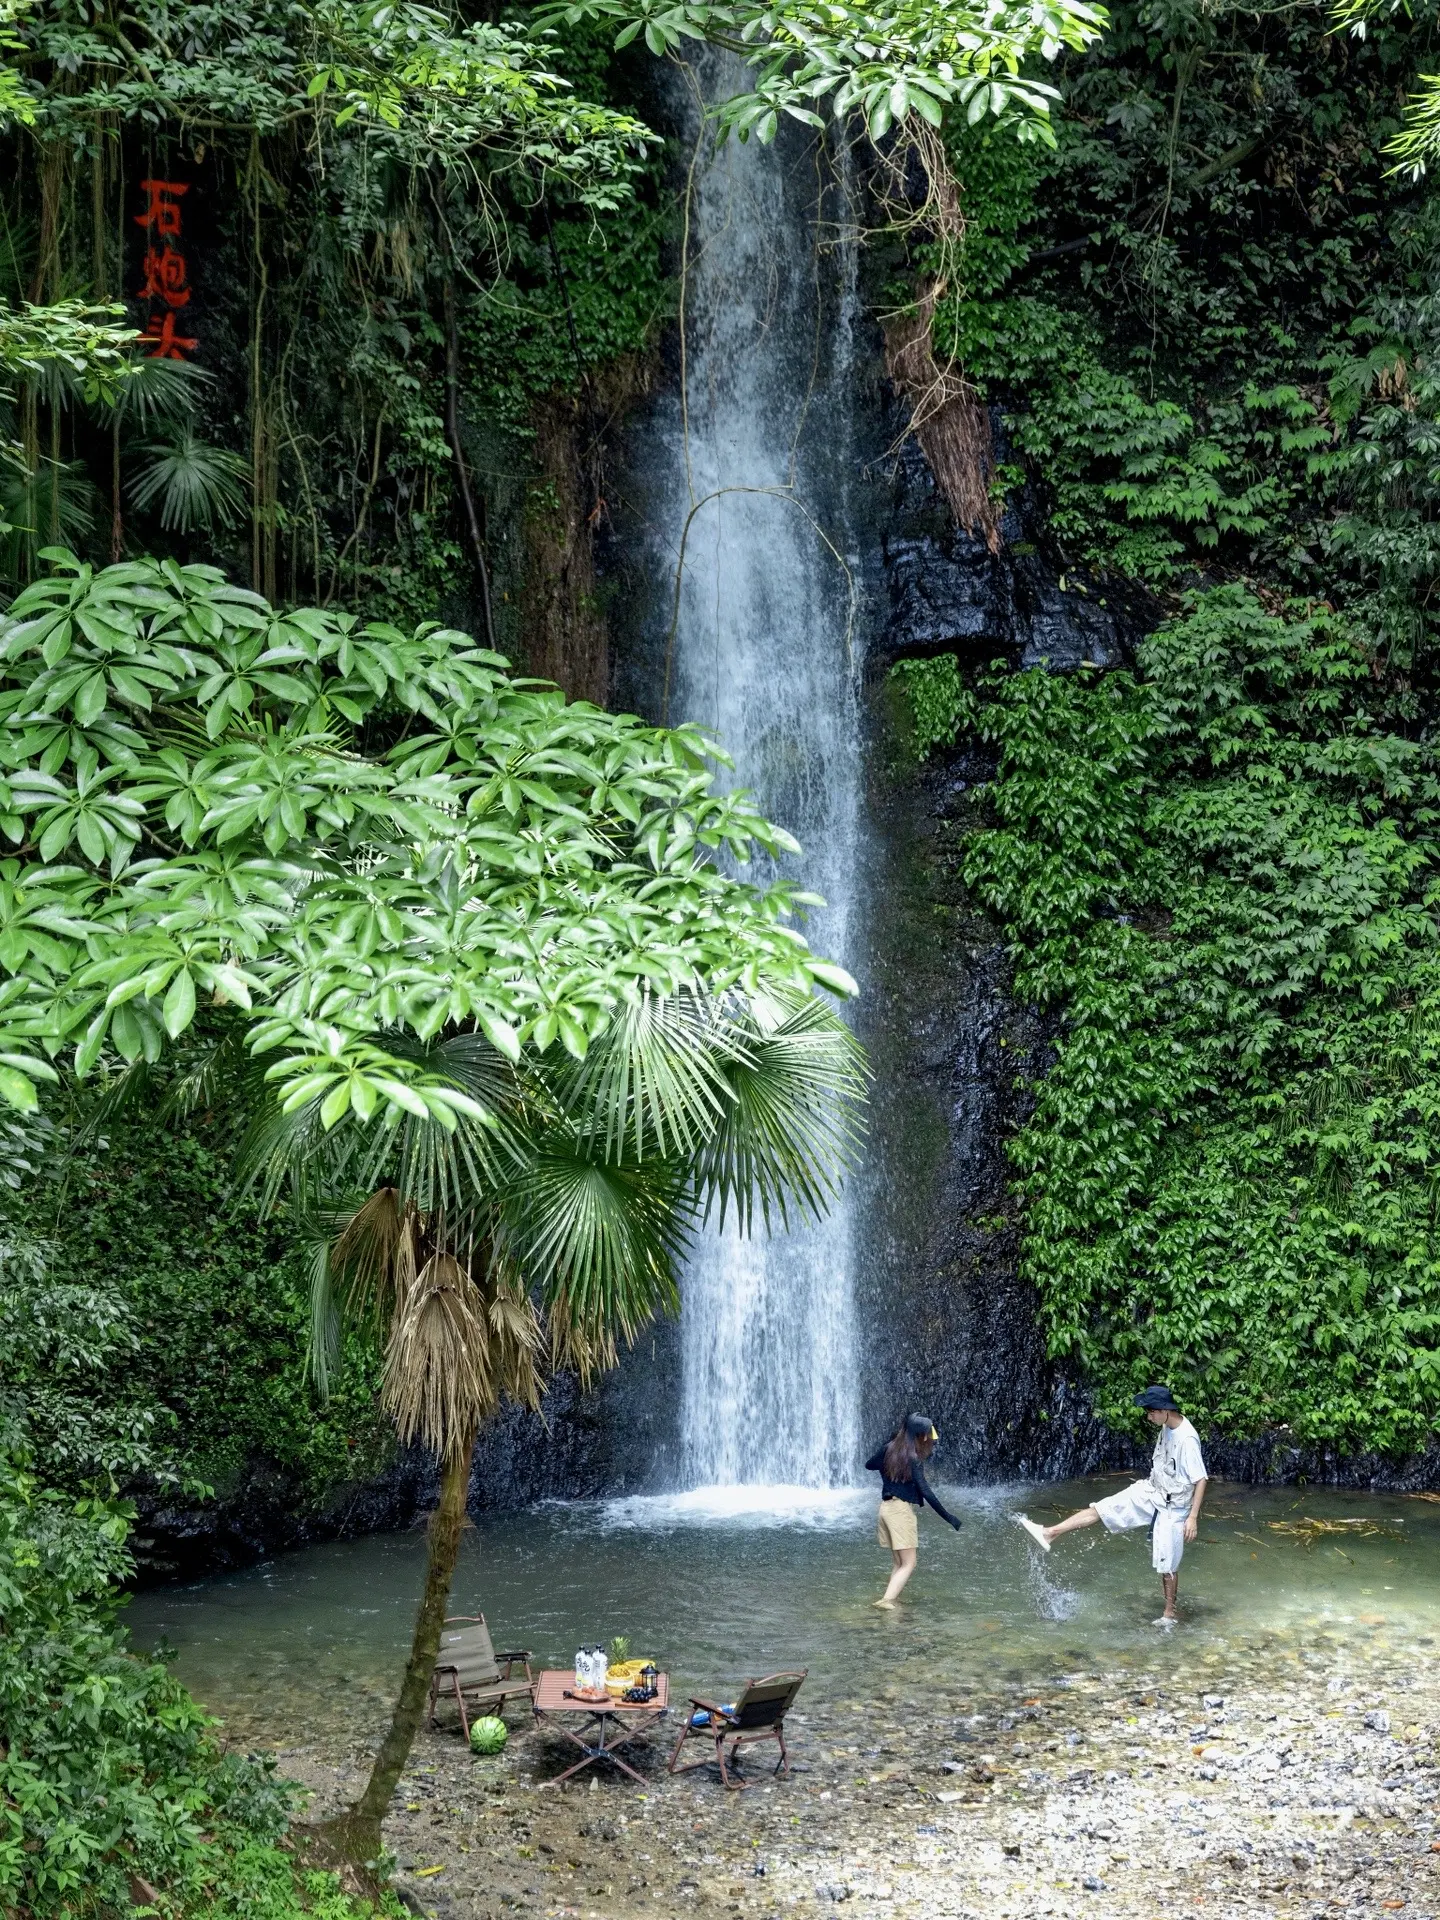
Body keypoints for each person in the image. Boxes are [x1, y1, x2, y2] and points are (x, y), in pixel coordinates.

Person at [1015, 1385, 1208, 1626]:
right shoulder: (1166, 1427)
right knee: (1103, 1508)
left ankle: (1170, 1614)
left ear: (1164, 1411)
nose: (1148, 1417)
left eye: (1150, 1413)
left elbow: (1200, 1479)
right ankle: (1050, 1533)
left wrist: (1192, 1518)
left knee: (1167, 1563)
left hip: (1173, 1507)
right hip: (1152, 1491)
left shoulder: (1187, 1439)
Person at [865, 1412, 961, 1608]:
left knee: (899, 1563)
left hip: (885, 1509)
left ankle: (890, 1596)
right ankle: (886, 1601)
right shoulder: (913, 1458)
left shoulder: (889, 1449)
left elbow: (870, 1465)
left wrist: (890, 1453)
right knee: (909, 1563)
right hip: (900, 1511)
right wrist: (949, 1517)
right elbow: (926, 1491)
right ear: (922, 1435)